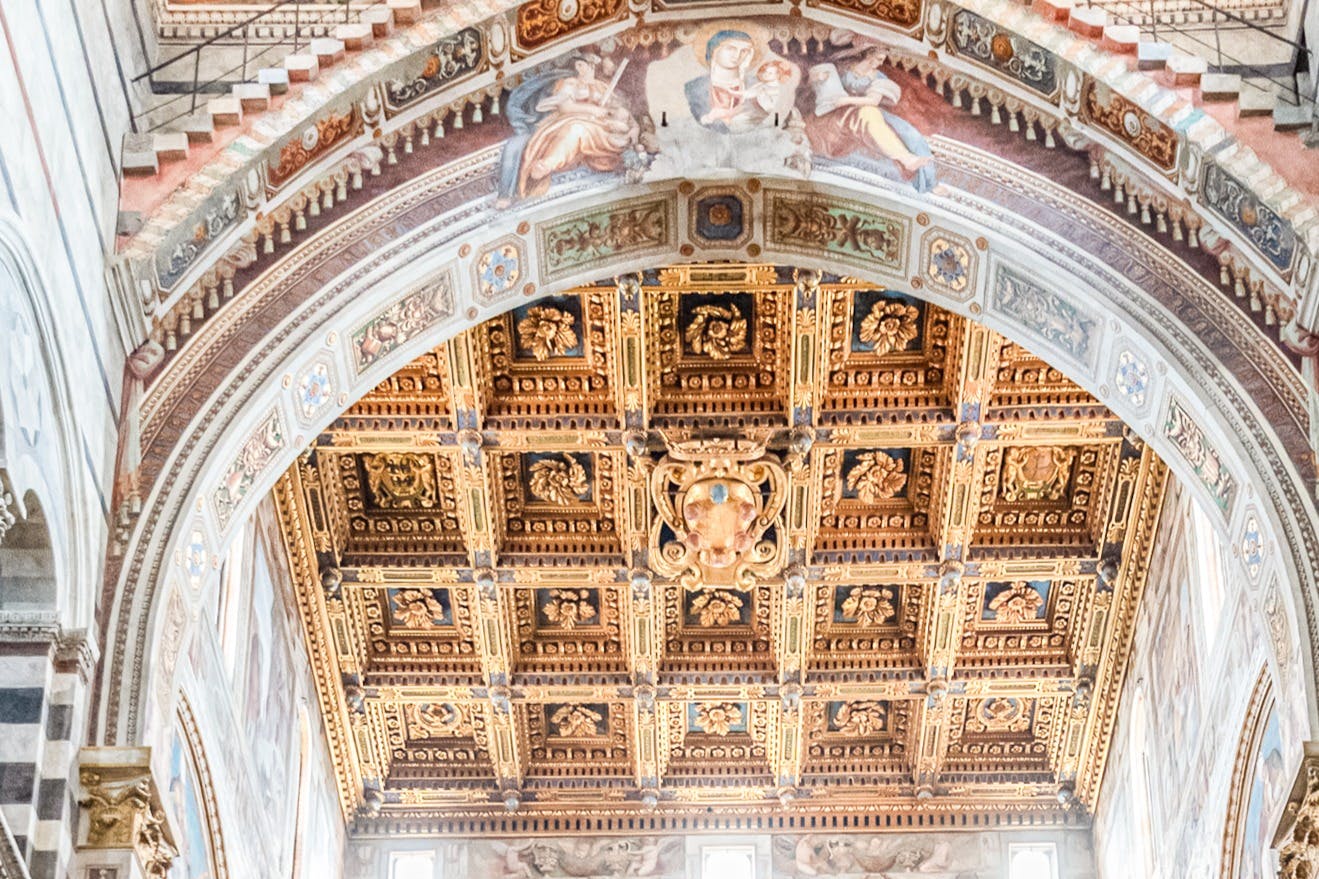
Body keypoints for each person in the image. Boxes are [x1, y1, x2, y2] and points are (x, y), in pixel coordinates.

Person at [495, 53, 637, 204]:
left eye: (582, 65)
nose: (578, 68)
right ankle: (547, 163)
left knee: (604, 131)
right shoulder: (570, 83)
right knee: (576, 130)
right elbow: (566, 107)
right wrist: (592, 110)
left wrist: (635, 128)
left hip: (602, 128)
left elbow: (623, 113)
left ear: (592, 66)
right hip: (571, 121)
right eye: (577, 65)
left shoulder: (603, 87)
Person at [805, 52, 936, 191]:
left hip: (855, 111)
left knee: (870, 114)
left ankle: (906, 159)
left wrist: (846, 101)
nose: (880, 63)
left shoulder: (878, 76)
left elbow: (873, 101)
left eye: (883, 60)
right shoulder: (844, 66)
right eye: (879, 58)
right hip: (830, 113)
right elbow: (817, 84)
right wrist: (818, 78)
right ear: (868, 53)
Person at [685, 30, 756, 132]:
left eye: (744, 51)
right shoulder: (694, 87)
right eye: (731, 48)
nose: (737, 55)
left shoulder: (755, 84)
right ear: (715, 50)